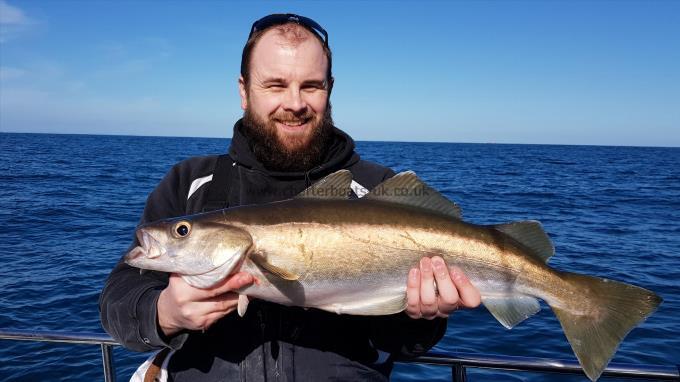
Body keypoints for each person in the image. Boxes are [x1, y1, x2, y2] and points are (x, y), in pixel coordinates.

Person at [100, 13, 481, 381]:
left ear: (329, 89)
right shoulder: (190, 182)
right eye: (276, 85)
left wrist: (423, 318)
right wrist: (164, 312)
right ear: (244, 90)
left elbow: (404, 344)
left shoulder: (377, 189)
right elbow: (119, 299)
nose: (295, 103)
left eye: (311, 86)